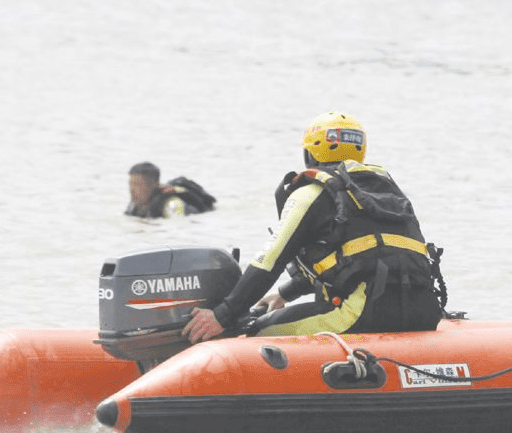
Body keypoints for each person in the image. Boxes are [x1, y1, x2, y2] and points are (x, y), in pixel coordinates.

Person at [182, 113, 445, 342]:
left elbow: (269, 261)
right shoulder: (386, 191)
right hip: (423, 313)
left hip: (363, 314)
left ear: (310, 152)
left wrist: (222, 315)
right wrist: (285, 292)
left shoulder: (311, 193)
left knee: (252, 331)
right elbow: (356, 259)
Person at [124, 162, 216, 219]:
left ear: (154, 185)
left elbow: (176, 231)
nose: (132, 190)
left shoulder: (173, 205)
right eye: (131, 184)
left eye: (138, 185)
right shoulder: (134, 205)